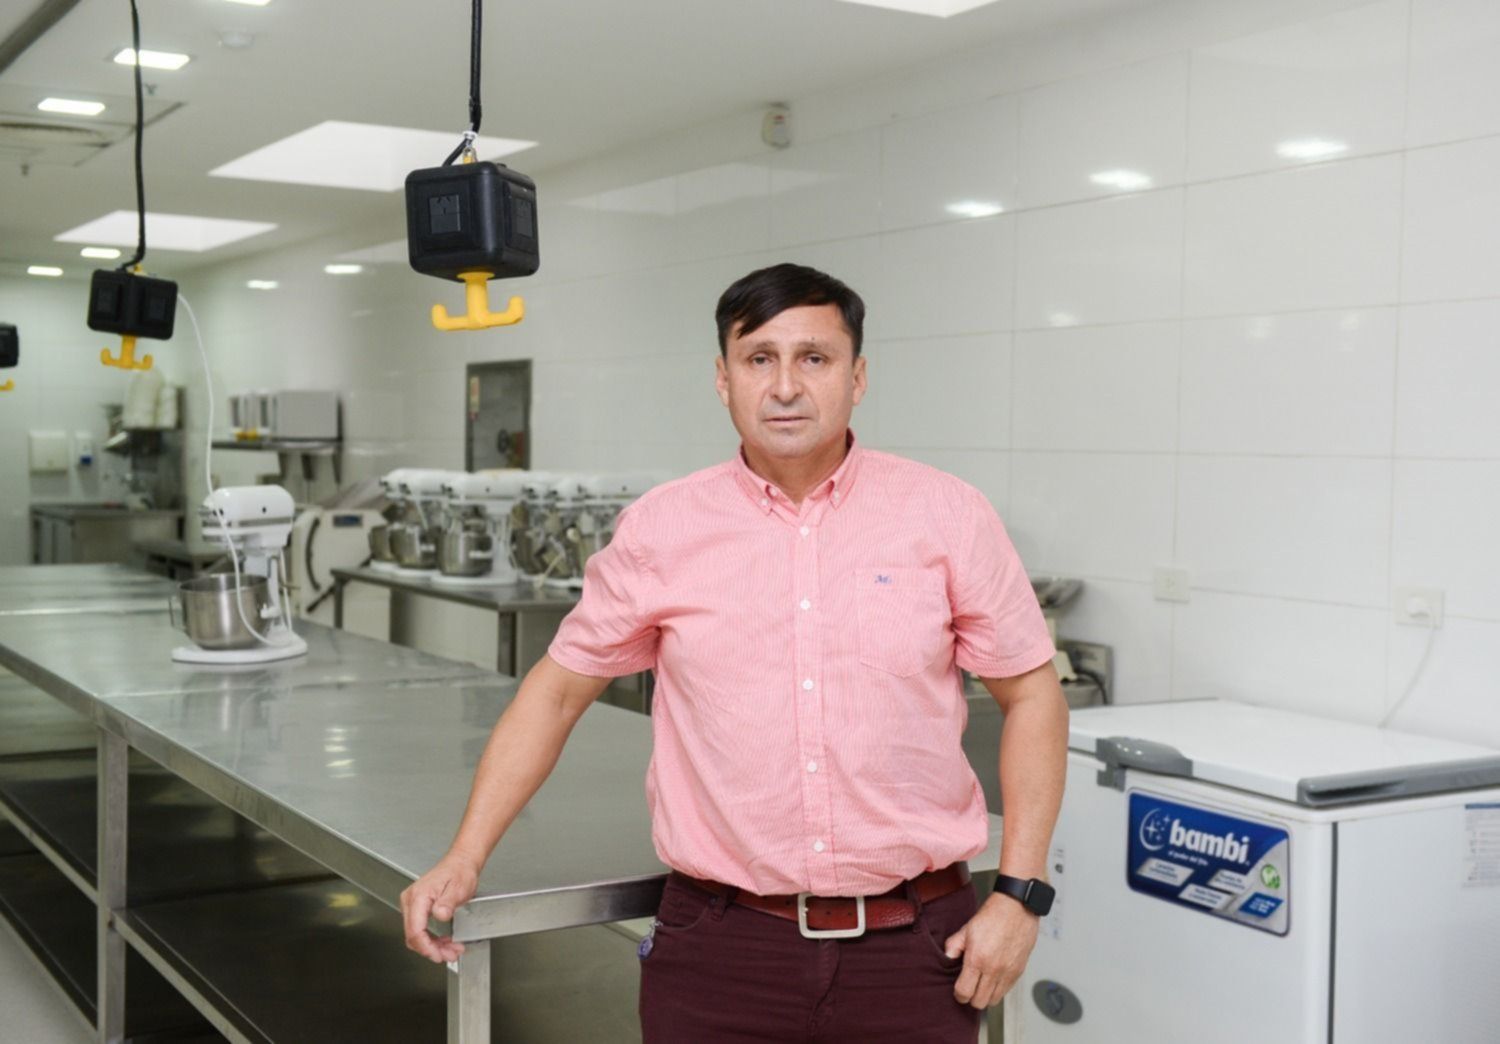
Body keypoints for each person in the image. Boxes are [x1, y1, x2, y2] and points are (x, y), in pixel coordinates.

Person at [402, 263, 1069, 1042]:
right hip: (722, 952)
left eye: (814, 358)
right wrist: (465, 855)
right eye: (759, 359)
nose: (785, 386)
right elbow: (554, 694)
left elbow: (1033, 694)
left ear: (857, 377)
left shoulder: (946, 513)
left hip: (914, 948)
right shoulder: (663, 528)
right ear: (724, 379)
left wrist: (1021, 895)